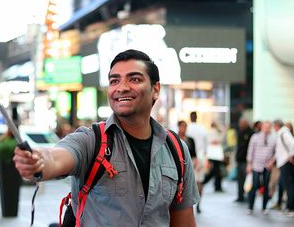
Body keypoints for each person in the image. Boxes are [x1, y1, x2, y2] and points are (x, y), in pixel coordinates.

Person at [14, 49, 199, 226]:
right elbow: (55, 158)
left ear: (155, 89)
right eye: (114, 81)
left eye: (134, 79)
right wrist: (38, 160)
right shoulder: (91, 141)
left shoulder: (176, 150)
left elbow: (184, 220)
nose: (122, 88)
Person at [246, 121, 276, 214]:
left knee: (266, 186)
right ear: (262, 127)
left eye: (268, 127)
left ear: (270, 128)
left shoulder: (273, 138)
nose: (266, 129)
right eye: (265, 127)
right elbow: (250, 151)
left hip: (267, 166)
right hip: (256, 165)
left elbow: (276, 152)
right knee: (254, 185)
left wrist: (272, 161)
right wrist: (249, 164)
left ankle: (264, 207)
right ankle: (250, 207)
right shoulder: (255, 137)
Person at [271, 119, 294, 216]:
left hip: (286, 163)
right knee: (285, 185)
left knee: (289, 186)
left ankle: (291, 208)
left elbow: (293, 144)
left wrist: (290, 156)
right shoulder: (281, 133)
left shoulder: (283, 133)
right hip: (282, 163)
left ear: (276, 125)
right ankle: (288, 207)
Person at [186, 111, 207, 213]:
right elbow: (206, 145)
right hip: (201, 158)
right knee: (199, 182)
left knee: (187, 182)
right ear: (197, 117)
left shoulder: (187, 128)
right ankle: (199, 204)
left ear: (190, 117)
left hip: (189, 158)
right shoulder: (202, 129)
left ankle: (188, 205)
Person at [235, 118, 254, 203]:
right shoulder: (239, 132)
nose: (241, 125)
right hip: (239, 159)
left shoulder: (251, 133)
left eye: (242, 123)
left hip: (246, 160)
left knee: (248, 180)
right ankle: (240, 196)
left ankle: (249, 196)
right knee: (240, 179)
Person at [203, 122, 225, 193]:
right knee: (216, 171)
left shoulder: (213, 132)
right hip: (215, 154)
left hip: (213, 154)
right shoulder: (213, 132)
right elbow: (219, 139)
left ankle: (213, 184)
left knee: (215, 170)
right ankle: (215, 185)